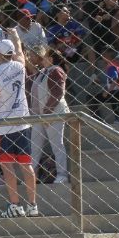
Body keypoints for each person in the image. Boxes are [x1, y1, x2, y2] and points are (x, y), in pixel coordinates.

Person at [0, 29, 38, 218]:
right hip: (22, 122)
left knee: (8, 167)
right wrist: (15, 36)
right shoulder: (19, 66)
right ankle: (32, 205)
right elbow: (20, 52)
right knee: (26, 164)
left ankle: (15, 205)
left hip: (3, 126)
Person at [27, 46, 70, 184]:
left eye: (45, 56)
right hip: (40, 116)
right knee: (34, 147)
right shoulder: (43, 72)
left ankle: (62, 175)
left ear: (51, 59)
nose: (42, 59)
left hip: (53, 114)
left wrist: (47, 113)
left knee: (57, 145)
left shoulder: (56, 70)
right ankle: (31, 176)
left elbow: (58, 93)